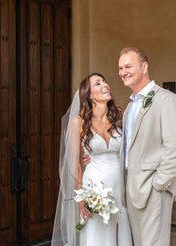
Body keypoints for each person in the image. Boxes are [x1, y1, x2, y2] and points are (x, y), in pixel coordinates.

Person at [51, 73, 132, 246]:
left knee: (121, 235)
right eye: (98, 83)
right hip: (94, 187)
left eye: (105, 81)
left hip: (121, 186)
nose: (105, 85)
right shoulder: (78, 122)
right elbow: (75, 164)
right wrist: (81, 199)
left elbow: (131, 149)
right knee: (97, 237)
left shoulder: (119, 114)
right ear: (88, 95)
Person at [118, 47, 176, 246]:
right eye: (120, 68)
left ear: (144, 66)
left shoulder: (166, 100)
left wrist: (159, 184)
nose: (123, 72)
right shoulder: (130, 106)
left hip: (152, 189)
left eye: (128, 66)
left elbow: (175, 146)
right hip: (132, 189)